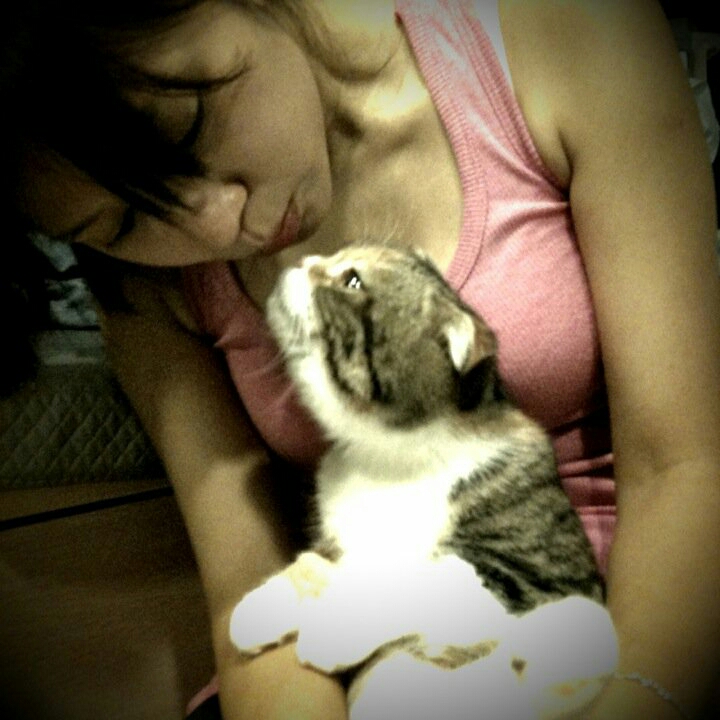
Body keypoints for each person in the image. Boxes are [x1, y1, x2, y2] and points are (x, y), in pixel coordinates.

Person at [4, 0, 720, 718]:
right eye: (123, 222)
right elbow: (250, 591)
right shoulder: (141, 282)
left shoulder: (570, 34)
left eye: (190, 123)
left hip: (628, 620)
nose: (224, 225)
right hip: (350, 646)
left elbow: (684, 466)